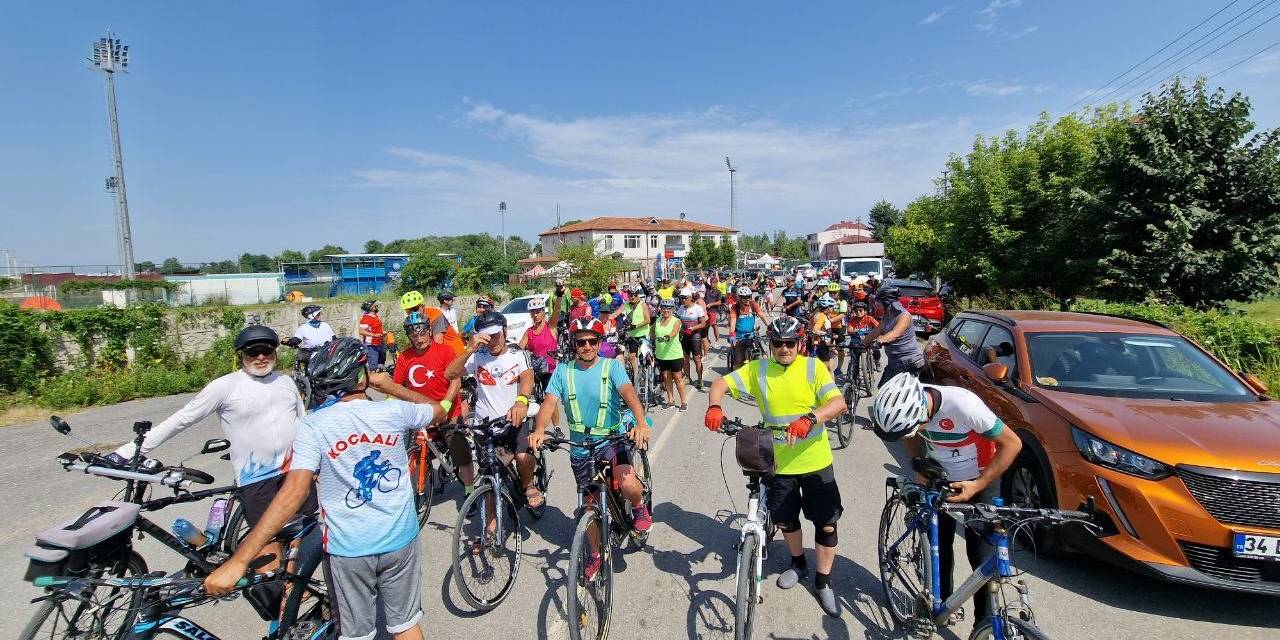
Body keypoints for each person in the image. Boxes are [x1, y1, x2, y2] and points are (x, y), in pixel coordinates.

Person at [205, 337, 448, 640]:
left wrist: (240, 560)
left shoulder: (313, 426)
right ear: (363, 377)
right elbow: (438, 411)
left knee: (357, 634)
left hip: (349, 549)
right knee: (405, 626)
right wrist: (388, 387)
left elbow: (294, 493)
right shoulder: (394, 411)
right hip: (401, 540)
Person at [111, 325, 315, 591]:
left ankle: (300, 597)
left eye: (266, 350)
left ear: (275, 353)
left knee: (300, 545)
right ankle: (280, 612)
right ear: (241, 355)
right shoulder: (225, 387)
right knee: (269, 557)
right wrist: (128, 451)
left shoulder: (286, 382)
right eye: (253, 352)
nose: (260, 357)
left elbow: (304, 423)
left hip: (296, 473)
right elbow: (181, 419)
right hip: (258, 480)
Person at [704, 316, 847, 617]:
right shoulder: (759, 369)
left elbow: (837, 403)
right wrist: (715, 404)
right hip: (777, 462)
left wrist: (810, 418)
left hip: (815, 462)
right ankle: (798, 564)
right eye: (778, 343)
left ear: (800, 343)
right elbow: (721, 383)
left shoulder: (813, 367)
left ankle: (824, 582)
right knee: (786, 521)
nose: (784, 348)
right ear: (770, 345)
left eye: (789, 343)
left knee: (826, 523)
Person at [869, 372, 1023, 629]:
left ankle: (983, 625)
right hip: (939, 477)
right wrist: (920, 467)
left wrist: (979, 485)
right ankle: (942, 605)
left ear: (923, 411)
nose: (913, 433)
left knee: (982, 555)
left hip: (980, 477)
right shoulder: (911, 410)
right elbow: (912, 437)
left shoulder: (964, 405)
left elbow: (1013, 444)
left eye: (913, 427)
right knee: (939, 543)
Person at [529, 317, 653, 579]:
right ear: (574, 344)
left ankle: (640, 506)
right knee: (588, 506)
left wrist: (641, 423)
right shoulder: (563, 371)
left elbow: (631, 397)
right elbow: (549, 403)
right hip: (580, 446)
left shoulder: (612, 367)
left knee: (627, 481)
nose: (586, 346)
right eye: (581, 341)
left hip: (611, 439)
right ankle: (596, 555)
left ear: (599, 343)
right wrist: (540, 430)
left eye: (592, 341)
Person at [445, 310, 543, 507]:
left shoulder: (517, 354)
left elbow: (527, 377)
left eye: (497, 334)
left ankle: (528, 484)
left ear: (505, 331)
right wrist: (469, 349)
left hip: (513, 420)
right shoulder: (477, 356)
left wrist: (521, 401)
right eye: (488, 336)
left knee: (523, 457)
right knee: (491, 476)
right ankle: (490, 531)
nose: (493, 340)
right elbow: (450, 373)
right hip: (485, 426)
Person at [376, 311, 474, 495]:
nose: (419, 338)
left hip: (447, 410)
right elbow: (396, 387)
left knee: (461, 453)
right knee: (411, 448)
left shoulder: (444, 351)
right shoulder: (405, 357)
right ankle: (419, 484)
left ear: (429, 330)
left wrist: (445, 405)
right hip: (420, 413)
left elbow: (455, 381)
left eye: (422, 333)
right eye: (414, 335)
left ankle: (470, 491)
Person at [862, 286, 925, 385]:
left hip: (908, 363)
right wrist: (862, 343)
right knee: (885, 391)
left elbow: (894, 334)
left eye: (880, 303)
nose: (878, 306)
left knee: (900, 396)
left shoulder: (904, 316)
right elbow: (876, 331)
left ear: (888, 304)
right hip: (894, 363)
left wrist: (879, 340)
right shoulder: (887, 316)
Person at [400, 290, 465, 357]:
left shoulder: (435, 314)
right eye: (409, 310)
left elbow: (438, 342)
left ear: (422, 306)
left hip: (454, 352)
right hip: (440, 353)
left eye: (415, 308)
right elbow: (413, 342)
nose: (413, 313)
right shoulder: (412, 321)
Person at [653, 298, 688, 411]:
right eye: (663, 308)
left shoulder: (676, 320)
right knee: (666, 377)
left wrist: (669, 336)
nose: (666, 310)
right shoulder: (658, 320)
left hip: (675, 355)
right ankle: (670, 400)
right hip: (662, 355)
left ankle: (683, 402)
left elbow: (674, 331)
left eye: (668, 308)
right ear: (661, 309)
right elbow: (652, 331)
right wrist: (649, 337)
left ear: (672, 309)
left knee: (677, 378)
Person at [677, 289, 708, 391]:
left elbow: (703, 323)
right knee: (685, 359)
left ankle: (700, 379)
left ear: (690, 298)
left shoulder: (697, 308)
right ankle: (688, 378)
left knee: (697, 359)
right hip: (684, 337)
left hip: (695, 337)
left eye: (685, 298)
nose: (683, 300)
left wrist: (693, 328)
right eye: (681, 298)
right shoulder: (681, 308)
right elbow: (677, 321)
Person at [358, 300, 386, 369]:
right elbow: (361, 331)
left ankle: (379, 378)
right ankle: (371, 378)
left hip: (379, 344)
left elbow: (375, 329)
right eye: (375, 305)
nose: (376, 306)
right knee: (373, 367)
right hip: (371, 346)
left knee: (380, 365)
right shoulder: (366, 318)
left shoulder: (375, 316)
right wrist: (374, 335)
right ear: (371, 308)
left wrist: (383, 332)